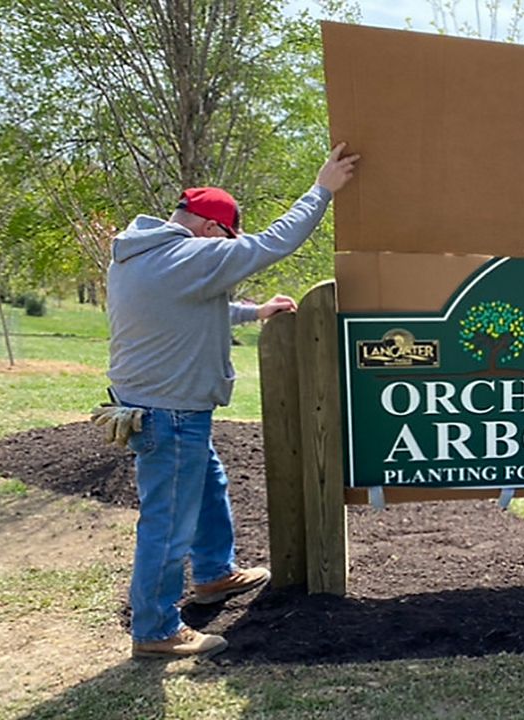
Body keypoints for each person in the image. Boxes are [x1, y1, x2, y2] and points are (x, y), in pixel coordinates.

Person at [95, 143, 360, 659]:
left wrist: (252, 311)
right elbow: (273, 243)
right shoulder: (188, 256)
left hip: (152, 405)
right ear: (213, 230)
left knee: (210, 486)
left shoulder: (141, 254)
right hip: (169, 414)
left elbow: (190, 307)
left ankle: (214, 574)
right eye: (228, 239)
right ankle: (154, 629)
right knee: (167, 521)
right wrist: (322, 187)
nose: (229, 250)